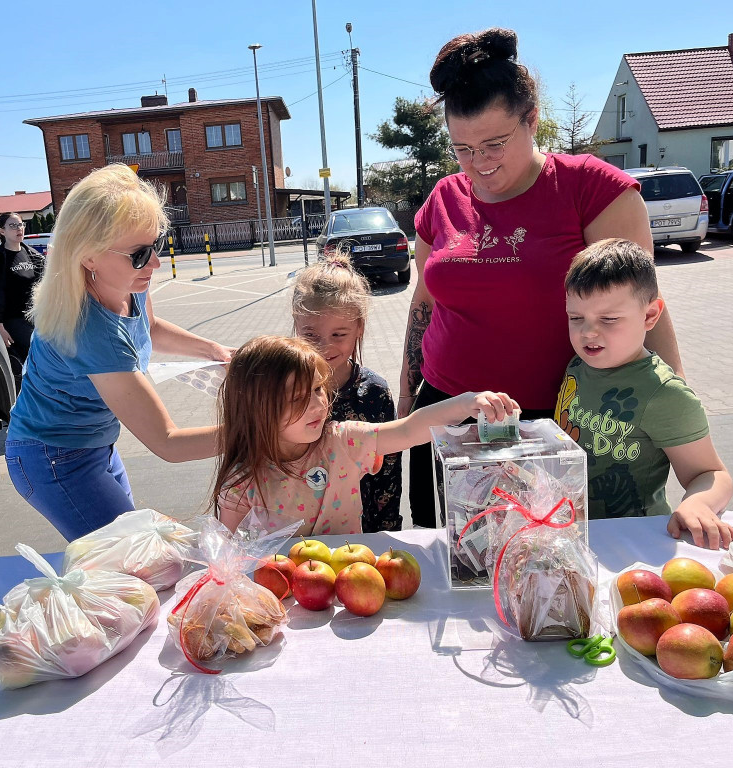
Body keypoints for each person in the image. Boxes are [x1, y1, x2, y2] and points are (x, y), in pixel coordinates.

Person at [399, 27, 685, 527]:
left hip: (554, 422)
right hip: (446, 415)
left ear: (532, 119)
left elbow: (642, 309)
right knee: (450, 567)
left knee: (544, 569)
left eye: (493, 144)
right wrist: (407, 411)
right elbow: (424, 306)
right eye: (462, 148)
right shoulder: (443, 198)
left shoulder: (592, 190)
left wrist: (677, 409)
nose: (478, 165)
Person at [5, 165, 232, 541]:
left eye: (156, 244)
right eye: (140, 254)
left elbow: (151, 329)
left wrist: (214, 349)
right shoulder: (92, 331)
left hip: (95, 445)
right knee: (132, 564)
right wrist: (263, 433)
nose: (155, 264)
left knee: (131, 562)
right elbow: (168, 442)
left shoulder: (128, 280)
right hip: (53, 459)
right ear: (88, 257)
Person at [214, 335, 518, 536]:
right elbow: (232, 562)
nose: (318, 404)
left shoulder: (343, 441)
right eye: (297, 398)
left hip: (352, 587)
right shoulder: (243, 483)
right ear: (256, 410)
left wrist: (466, 403)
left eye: (319, 389)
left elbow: (409, 429)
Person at [556, 238, 733, 549]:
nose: (588, 332)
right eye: (576, 318)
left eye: (608, 319)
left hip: (634, 543)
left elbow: (712, 473)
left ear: (650, 316)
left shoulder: (665, 394)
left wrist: (697, 504)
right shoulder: (577, 365)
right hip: (570, 535)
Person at [291, 253, 402, 532]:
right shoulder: (282, 389)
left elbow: (387, 475)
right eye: (311, 335)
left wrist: (386, 534)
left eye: (339, 335)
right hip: (294, 534)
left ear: (359, 328)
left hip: (359, 539)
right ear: (295, 324)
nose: (324, 347)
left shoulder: (374, 393)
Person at [0, 212, 42, 387]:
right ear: (2, 231)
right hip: (14, 320)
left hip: (36, 318)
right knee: (35, 359)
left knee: (46, 358)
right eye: (13, 226)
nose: (19, 229)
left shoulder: (30, 253)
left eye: (21, 224)